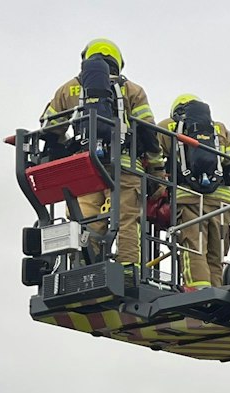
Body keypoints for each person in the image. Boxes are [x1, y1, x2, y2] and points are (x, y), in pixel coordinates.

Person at [42, 39, 161, 267]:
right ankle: (128, 271)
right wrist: (157, 169)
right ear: (117, 61)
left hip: (85, 169)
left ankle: (84, 269)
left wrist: (65, 149)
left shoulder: (69, 88)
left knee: (86, 221)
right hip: (125, 167)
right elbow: (148, 132)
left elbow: (49, 128)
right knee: (126, 219)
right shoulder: (132, 90)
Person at [165, 94, 230, 289]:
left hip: (189, 198)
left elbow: (152, 156)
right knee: (216, 255)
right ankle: (216, 294)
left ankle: (198, 292)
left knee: (193, 248)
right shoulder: (220, 129)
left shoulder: (166, 126)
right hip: (222, 201)